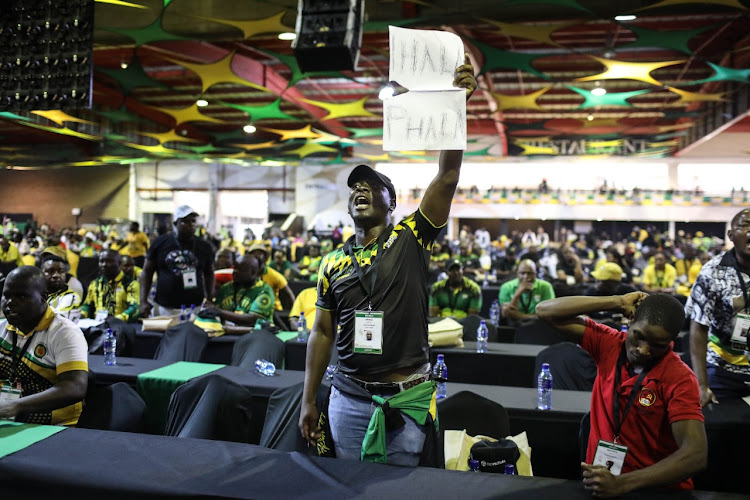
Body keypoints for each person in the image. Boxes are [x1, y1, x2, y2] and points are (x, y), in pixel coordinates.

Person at [299, 55, 477, 466]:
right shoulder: (332, 263)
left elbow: (447, 177)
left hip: (404, 403)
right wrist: (310, 399)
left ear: (392, 203)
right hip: (347, 398)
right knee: (347, 486)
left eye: (371, 185)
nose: (360, 190)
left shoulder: (412, 236)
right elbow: (322, 334)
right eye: (354, 187)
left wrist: (457, 106)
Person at [537, 293, 707, 494]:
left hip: (655, 491)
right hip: (602, 485)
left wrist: (622, 483)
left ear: (671, 341)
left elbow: (695, 454)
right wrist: (617, 302)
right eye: (639, 337)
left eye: (657, 345)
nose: (643, 350)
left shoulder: (680, 378)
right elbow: (545, 311)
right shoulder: (608, 344)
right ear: (631, 320)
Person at [0, 266, 88, 425]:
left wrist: (15, 406)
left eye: (21, 296)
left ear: (43, 297)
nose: (10, 302)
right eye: (6, 295)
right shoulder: (2, 328)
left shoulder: (65, 332)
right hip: (10, 420)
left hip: (56, 425)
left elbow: (75, 387)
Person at [686, 208, 750, 405]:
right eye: (744, 226)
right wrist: (701, 384)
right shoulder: (712, 271)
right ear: (731, 235)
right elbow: (698, 329)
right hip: (723, 368)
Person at [139, 206, 215, 317]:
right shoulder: (160, 243)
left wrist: (210, 298)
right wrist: (143, 301)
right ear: (175, 223)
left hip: (194, 307)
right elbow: (147, 272)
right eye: (185, 221)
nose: (190, 225)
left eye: (193, 221)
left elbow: (209, 274)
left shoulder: (204, 246)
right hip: (164, 307)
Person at [204, 255, 274, 327]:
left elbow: (253, 319)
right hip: (226, 332)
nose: (235, 272)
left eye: (240, 269)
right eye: (235, 268)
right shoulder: (227, 287)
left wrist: (220, 312)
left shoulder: (263, 290)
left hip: (255, 333)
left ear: (253, 272)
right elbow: (214, 311)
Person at [81, 250, 140, 323]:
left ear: (119, 264)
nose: (104, 264)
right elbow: (87, 305)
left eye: (109, 261)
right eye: (101, 261)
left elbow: (135, 309)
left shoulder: (131, 284)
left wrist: (116, 319)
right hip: (97, 325)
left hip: (121, 325)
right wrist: (82, 314)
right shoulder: (95, 283)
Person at [248, 243, 295, 311]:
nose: (256, 255)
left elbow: (288, 294)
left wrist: (294, 314)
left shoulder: (273, 274)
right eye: (253, 253)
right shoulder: (245, 273)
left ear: (265, 257)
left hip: (273, 311)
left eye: (259, 253)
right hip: (251, 310)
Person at [41, 254, 81, 319]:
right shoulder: (36, 294)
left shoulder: (72, 297)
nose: (56, 275)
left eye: (61, 271)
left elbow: (56, 320)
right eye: (50, 271)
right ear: (41, 274)